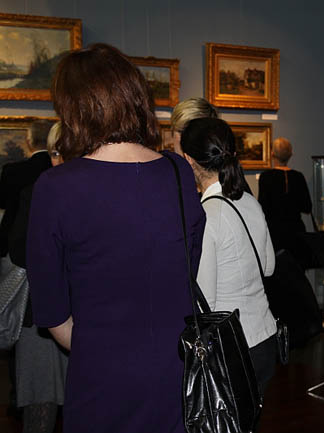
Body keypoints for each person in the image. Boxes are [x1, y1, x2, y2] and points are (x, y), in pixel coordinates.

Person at [26, 43, 205, 433]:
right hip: (177, 369)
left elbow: (52, 313)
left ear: (73, 110)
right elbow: (189, 266)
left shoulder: (55, 188)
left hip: (101, 375)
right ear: (135, 97)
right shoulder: (177, 171)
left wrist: (103, 345)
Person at [180, 117, 278, 396]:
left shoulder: (206, 215)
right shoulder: (249, 201)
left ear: (189, 160)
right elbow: (268, 267)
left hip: (231, 348)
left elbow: (205, 302)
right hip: (264, 336)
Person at [7, 122, 65, 433]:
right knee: (40, 406)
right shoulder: (35, 193)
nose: (59, 161)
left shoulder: (95, 196)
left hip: (86, 316)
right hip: (40, 315)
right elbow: (18, 250)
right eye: (54, 154)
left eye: (66, 153)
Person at [0, 120, 53, 257]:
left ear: (29, 141)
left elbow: (3, 202)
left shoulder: (12, 171)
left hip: (13, 239)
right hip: (49, 240)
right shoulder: (59, 170)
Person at [257, 137, 312, 269]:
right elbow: (307, 207)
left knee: (278, 274)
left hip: (275, 234)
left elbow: (262, 208)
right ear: (290, 155)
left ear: (272, 154)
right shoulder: (298, 177)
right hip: (296, 233)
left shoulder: (266, 177)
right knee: (298, 274)